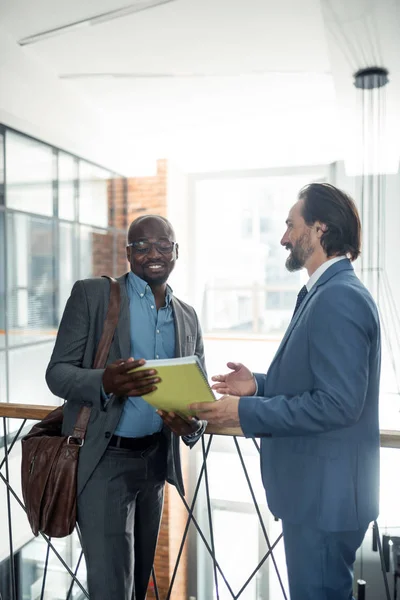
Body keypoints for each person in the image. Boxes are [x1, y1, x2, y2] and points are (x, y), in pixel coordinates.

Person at [190, 183, 381, 600]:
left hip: (324, 503)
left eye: (290, 226)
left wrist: (243, 412)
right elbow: (318, 384)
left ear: (320, 229)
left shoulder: (338, 299)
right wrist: (257, 384)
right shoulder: (324, 293)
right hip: (320, 497)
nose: (283, 238)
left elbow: (338, 403)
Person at [46, 215, 206, 600]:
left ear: (176, 251)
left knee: (138, 584)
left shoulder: (186, 316)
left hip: (154, 464)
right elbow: (57, 374)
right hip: (104, 461)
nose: (153, 254)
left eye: (163, 245)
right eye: (142, 246)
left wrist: (192, 426)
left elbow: (196, 397)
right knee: (110, 588)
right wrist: (104, 382)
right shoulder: (93, 295)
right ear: (128, 252)